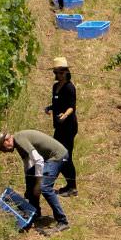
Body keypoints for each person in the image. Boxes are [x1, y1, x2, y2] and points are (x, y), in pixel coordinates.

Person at [0, 129, 70, 234]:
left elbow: (38, 160)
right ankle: (35, 213)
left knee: (45, 188)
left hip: (58, 156)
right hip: (48, 159)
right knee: (31, 182)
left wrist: (38, 184)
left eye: (2, 148)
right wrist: (29, 186)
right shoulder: (18, 143)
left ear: (6, 140)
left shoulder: (19, 139)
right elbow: (28, 163)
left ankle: (63, 221)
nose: (4, 151)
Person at [45, 57, 78, 196]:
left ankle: (72, 187)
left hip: (69, 127)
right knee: (57, 153)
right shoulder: (55, 87)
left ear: (65, 72)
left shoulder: (70, 87)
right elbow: (57, 102)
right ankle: (68, 185)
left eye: (59, 73)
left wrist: (65, 115)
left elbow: (71, 106)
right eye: (55, 73)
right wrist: (50, 107)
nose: (57, 75)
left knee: (65, 156)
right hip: (59, 127)